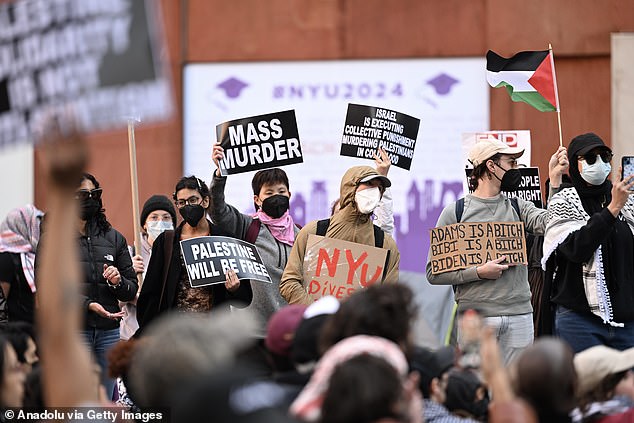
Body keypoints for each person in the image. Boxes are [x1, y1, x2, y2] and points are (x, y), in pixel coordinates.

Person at [426, 139, 568, 364]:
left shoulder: (517, 206)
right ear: (491, 166)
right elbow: (434, 272)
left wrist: (555, 179)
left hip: (520, 314)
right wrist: (479, 272)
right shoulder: (456, 213)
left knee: (515, 390)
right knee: (480, 390)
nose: (516, 169)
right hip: (477, 317)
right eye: (511, 163)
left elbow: (551, 223)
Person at [542, 133, 634, 353]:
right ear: (575, 164)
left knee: (627, 388)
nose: (600, 163)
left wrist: (619, 203)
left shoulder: (626, 201)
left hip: (627, 324)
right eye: (590, 159)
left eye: (605, 156)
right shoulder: (564, 200)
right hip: (580, 322)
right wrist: (612, 210)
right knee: (585, 387)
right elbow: (576, 248)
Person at [137, 176, 252, 330]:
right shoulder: (166, 242)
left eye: (192, 200)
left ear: (205, 201)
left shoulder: (225, 239)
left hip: (213, 334)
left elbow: (245, 297)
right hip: (174, 334)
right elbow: (151, 293)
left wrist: (234, 289)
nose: (187, 206)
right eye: (182, 203)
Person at [211, 144, 300, 334]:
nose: (277, 196)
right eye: (269, 193)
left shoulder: (300, 234)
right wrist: (220, 174)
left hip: (286, 331)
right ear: (257, 199)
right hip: (250, 331)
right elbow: (217, 211)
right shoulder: (248, 226)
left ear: (289, 195)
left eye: (281, 191)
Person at [280, 165, 400, 305]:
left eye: (379, 188)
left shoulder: (386, 244)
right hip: (317, 325)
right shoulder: (314, 231)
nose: (374, 191)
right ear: (350, 187)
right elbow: (289, 282)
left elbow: (389, 299)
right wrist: (319, 314)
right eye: (368, 184)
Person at [76, 172, 138, 399]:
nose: (90, 199)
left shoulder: (114, 238)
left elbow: (131, 288)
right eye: (83, 194)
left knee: (104, 397)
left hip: (108, 332)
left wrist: (118, 281)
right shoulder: (56, 238)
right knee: (76, 399)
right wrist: (88, 305)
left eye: (95, 194)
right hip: (74, 331)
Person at [120, 194, 177, 341]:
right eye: (154, 217)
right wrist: (128, 276)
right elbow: (115, 303)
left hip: (166, 337)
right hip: (132, 337)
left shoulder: (178, 254)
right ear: (144, 224)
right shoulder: (129, 254)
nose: (160, 222)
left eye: (166, 218)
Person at [331, 148, 395, 235]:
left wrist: (381, 178)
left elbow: (384, 227)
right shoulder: (318, 232)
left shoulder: (375, 240)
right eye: (340, 212)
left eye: (378, 188)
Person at [0, 204, 44, 324]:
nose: (39, 228)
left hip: (37, 333)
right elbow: (1, 303)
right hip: (15, 335)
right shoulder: (6, 258)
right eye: (35, 224)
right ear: (22, 226)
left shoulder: (36, 256)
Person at [572, 345, 634, 422]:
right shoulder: (623, 419)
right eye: (625, 377)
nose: (633, 376)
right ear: (608, 391)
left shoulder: (581, 416)